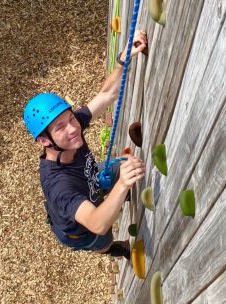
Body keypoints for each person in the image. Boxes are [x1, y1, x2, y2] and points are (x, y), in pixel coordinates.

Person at [23, 31, 147, 259]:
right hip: (81, 231)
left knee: (125, 164)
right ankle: (114, 249)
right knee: (103, 239)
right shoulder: (60, 187)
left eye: (70, 118)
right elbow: (97, 223)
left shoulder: (70, 131)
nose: (72, 128)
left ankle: (113, 196)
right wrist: (121, 186)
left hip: (89, 179)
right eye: (60, 127)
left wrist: (122, 61)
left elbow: (106, 95)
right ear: (44, 141)